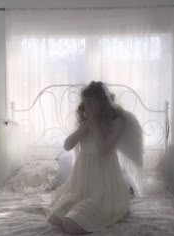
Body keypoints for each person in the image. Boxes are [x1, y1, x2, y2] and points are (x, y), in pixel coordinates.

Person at [47, 81, 130, 234]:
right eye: (85, 102)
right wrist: (84, 128)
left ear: (101, 103)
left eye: (90, 102)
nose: (86, 106)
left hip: (103, 188)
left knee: (70, 225)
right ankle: (78, 211)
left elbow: (103, 150)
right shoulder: (84, 124)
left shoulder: (117, 122)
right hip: (81, 186)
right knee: (54, 219)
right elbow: (67, 146)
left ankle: (86, 215)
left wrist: (95, 126)